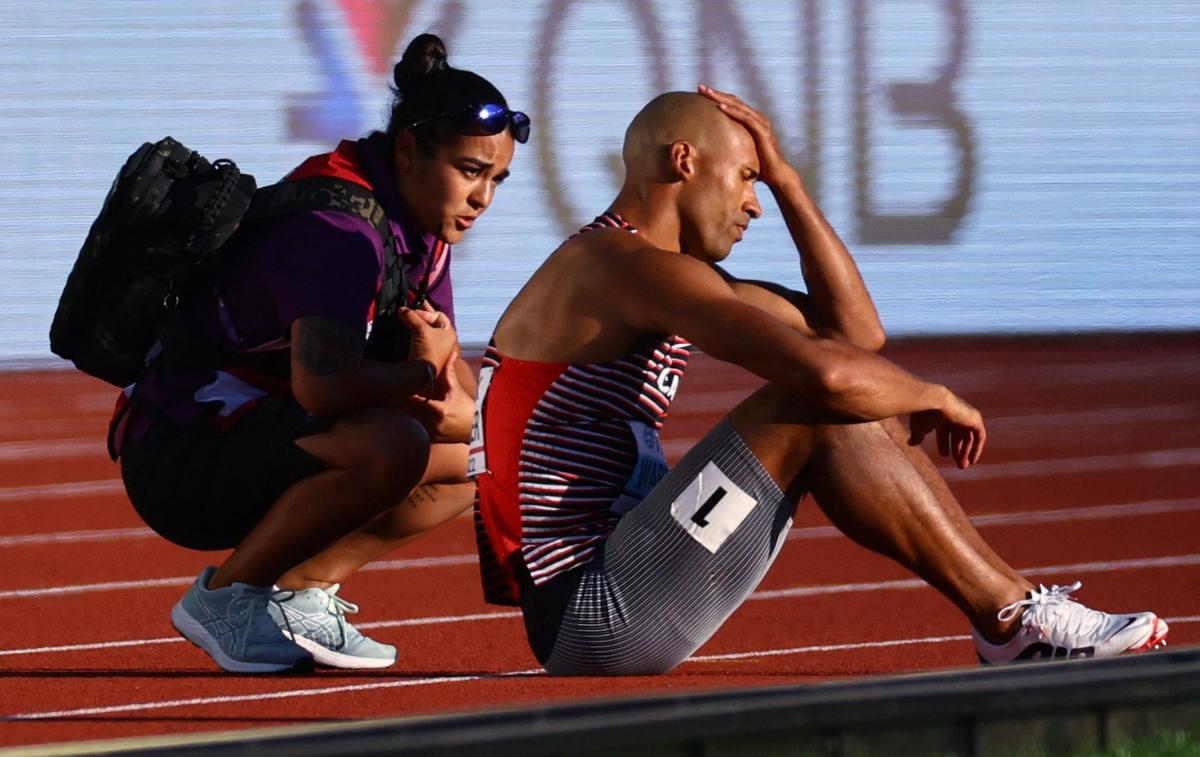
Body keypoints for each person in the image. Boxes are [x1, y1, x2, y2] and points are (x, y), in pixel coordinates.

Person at [469, 87, 1167, 675]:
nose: (754, 203)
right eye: (746, 178)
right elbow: (827, 372)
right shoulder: (621, 267)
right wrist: (935, 394)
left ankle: (1012, 616)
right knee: (813, 397)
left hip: (626, 576)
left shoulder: (666, 274)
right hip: (595, 604)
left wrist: (788, 178)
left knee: (847, 398)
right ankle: (1012, 618)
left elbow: (855, 333)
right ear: (684, 160)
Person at [111, 34, 529, 673]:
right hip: (178, 457)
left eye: (496, 179)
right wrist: (427, 374)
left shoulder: (420, 228)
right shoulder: (339, 230)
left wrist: (448, 398)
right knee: (393, 444)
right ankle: (224, 601)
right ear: (410, 151)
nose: (483, 199)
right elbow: (324, 390)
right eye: (471, 172)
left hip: (258, 435)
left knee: (475, 466)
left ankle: (299, 593)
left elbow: (459, 412)